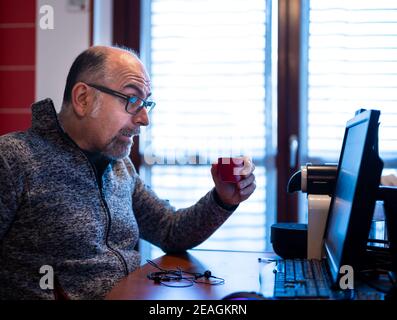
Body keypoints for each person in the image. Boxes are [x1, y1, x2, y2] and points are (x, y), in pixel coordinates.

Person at [0, 46, 256, 300]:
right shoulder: (13, 159)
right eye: (132, 100)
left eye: (146, 103)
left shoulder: (120, 167)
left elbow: (169, 231)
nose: (144, 118)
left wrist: (222, 199)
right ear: (83, 99)